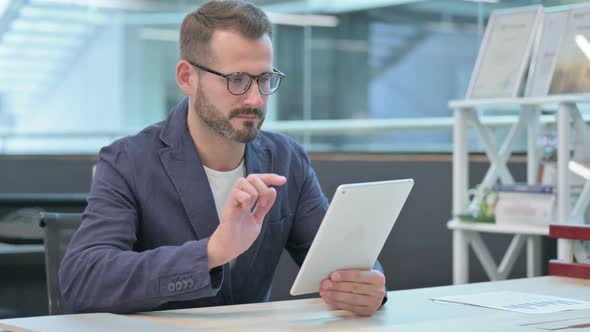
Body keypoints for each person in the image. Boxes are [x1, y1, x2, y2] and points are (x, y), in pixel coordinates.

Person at [59, 0, 386, 317]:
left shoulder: (287, 160)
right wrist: (212, 252)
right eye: (237, 80)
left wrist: (367, 285)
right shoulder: (128, 161)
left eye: (264, 79)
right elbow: (82, 280)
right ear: (188, 77)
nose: (255, 99)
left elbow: (341, 262)